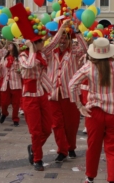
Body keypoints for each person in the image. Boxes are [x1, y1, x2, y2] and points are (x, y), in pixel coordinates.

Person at [68, 37, 114, 183]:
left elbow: (72, 85)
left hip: (95, 112)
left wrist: (79, 106)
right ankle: (112, 179)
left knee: (93, 146)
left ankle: (90, 177)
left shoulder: (88, 66)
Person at [11, 3, 62, 171]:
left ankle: (33, 148)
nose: (44, 43)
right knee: (36, 131)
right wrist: (32, 49)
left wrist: (62, 28)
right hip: (29, 97)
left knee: (47, 129)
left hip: (42, 94)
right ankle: (38, 159)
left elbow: (54, 43)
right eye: (41, 42)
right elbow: (30, 66)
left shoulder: (42, 52)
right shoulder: (24, 56)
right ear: (35, 43)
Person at [44, 19, 87, 163]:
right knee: (56, 124)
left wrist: (78, 32)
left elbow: (86, 49)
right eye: (60, 37)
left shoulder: (74, 52)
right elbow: (46, 47)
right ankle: (62, 150)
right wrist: (61, 29)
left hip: (70, 94)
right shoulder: (50, 52)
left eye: (65, 37)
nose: (62, 40)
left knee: (71, 124)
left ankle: (71, 147)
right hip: (53, 94)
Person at [0, 42, 22, 126]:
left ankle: (15, 118)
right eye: (8, 45)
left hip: (16, 82)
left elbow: (23, 68)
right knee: (4, 102)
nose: (9, 46)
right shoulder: (4, 58)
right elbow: (0, 68)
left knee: (16, 103)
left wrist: (19, 71)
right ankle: (4, 113)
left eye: (11, 45)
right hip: (6, 82)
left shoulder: (19, 58)